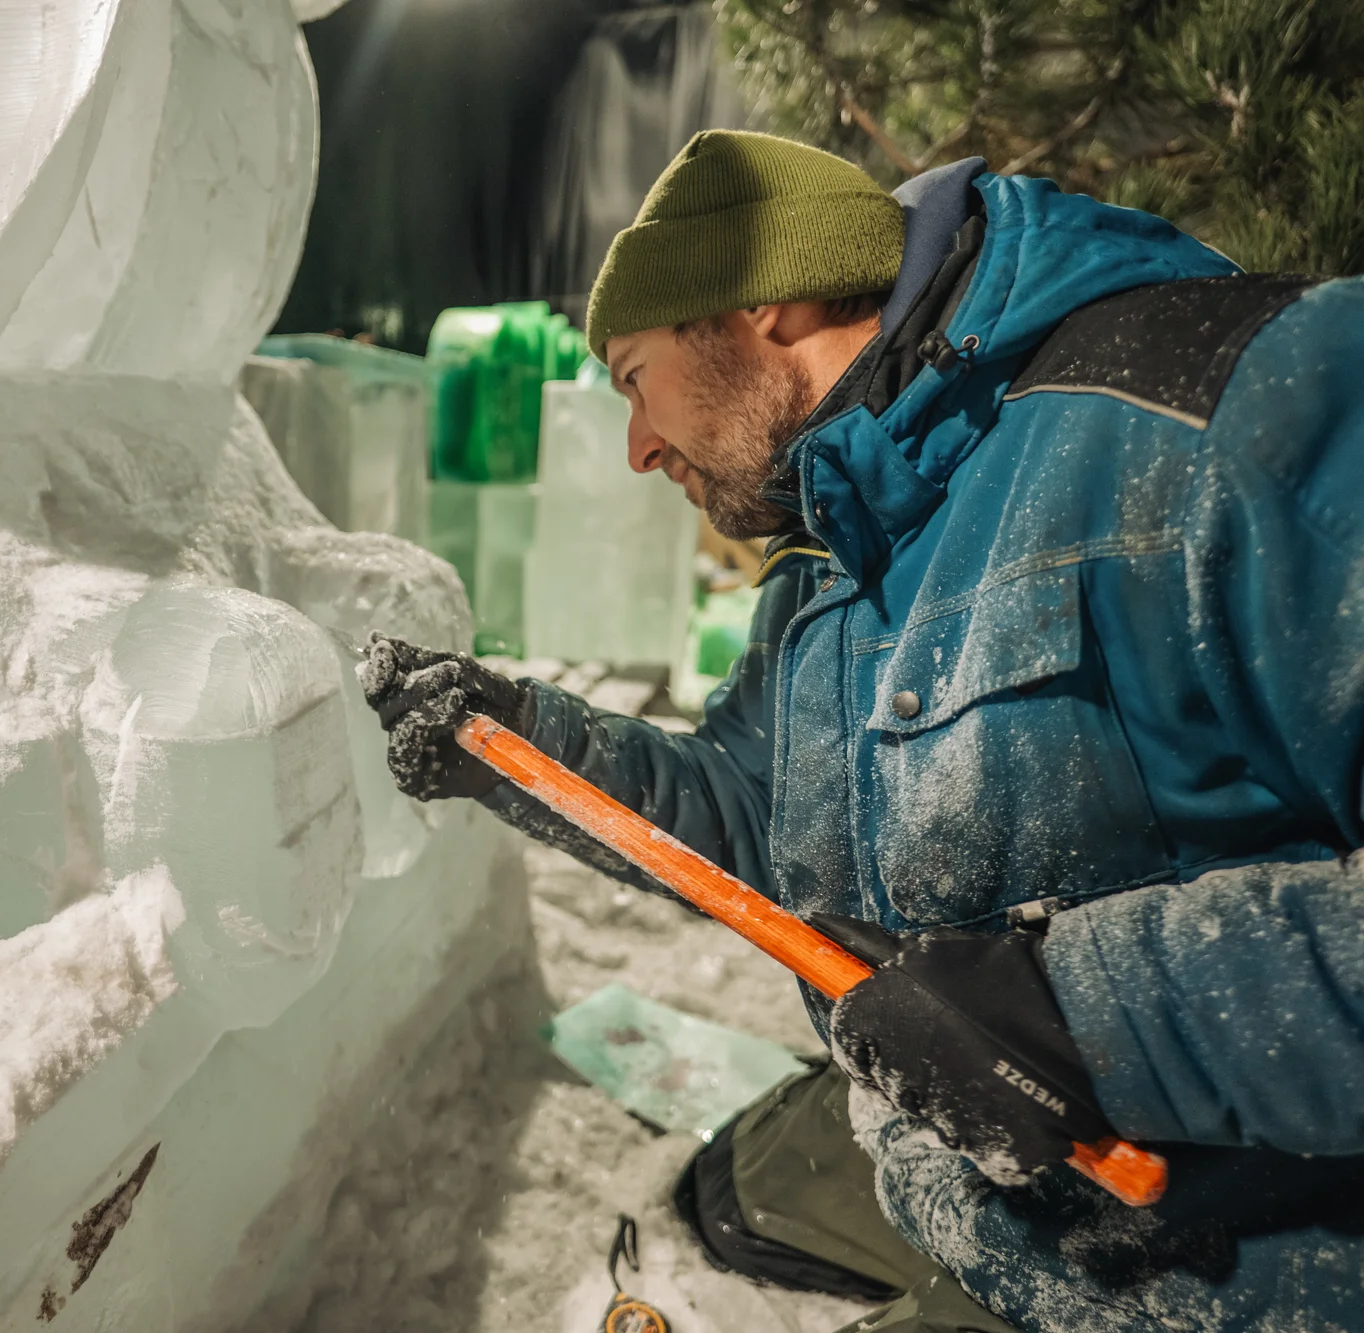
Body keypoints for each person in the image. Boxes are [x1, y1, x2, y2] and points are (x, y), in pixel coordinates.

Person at [363, 130, 1364, 1332]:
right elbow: (746, 813)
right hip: (965, 1185)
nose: (633, 447)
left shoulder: (1243, 404)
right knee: (714, 1210)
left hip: (1214, 1273)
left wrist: (1082, 1018)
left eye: (632, 377)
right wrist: (518, 742)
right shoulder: (835, 558)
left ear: (764, 301)